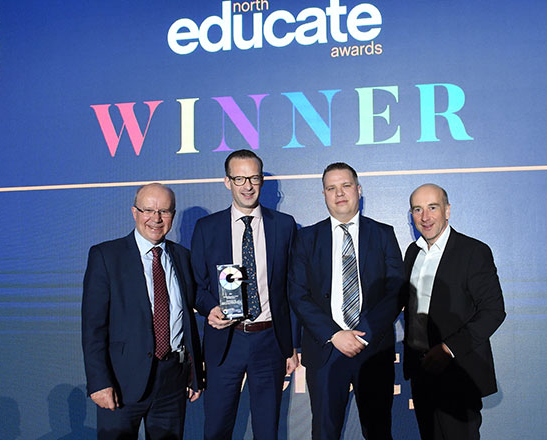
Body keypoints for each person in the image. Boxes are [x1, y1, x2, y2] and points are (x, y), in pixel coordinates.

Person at [288, 162, 404, 440]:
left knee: (378, 431)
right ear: (324, 195)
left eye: (346, 185)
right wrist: (334, 334)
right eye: (331, 188)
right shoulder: (305, 239)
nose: (339, 193)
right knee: (325, 433)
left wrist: (363, 334)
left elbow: (396, 289)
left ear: (359, 189)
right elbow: (298, 294)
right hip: (325, 350)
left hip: (373, 349)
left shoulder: (383, 234)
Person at [190, 149, 299, 440]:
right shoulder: (207, 228)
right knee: (216, 428)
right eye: (239, 178)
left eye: (253, 178)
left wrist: (291, 346)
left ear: (261, 181)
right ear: (227, 182)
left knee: (267, 429)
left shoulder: (285, 225)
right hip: (226, 340)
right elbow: (197, 287)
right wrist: (210, 308)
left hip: (270, 340)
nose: (247, 186)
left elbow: (292, 289)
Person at [82, 183, 204, 440]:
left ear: (173, 214)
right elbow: (93, 327)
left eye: (164, 211)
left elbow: (188, 317)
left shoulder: (183, 257)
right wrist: (99, 382)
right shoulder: (106, 256)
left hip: (172, 381)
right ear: (134, 212)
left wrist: (195, 373)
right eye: (148, 210)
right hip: (121, 382)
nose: (156, 219)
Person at [401, 183, 506, 440]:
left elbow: (493, 311)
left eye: (432, 207)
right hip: (421, 371)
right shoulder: (412, 252)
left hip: (458, 372)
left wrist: (448, 349)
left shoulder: (473, 252)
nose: (425, 217)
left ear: (448, 211)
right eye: (417, 209)